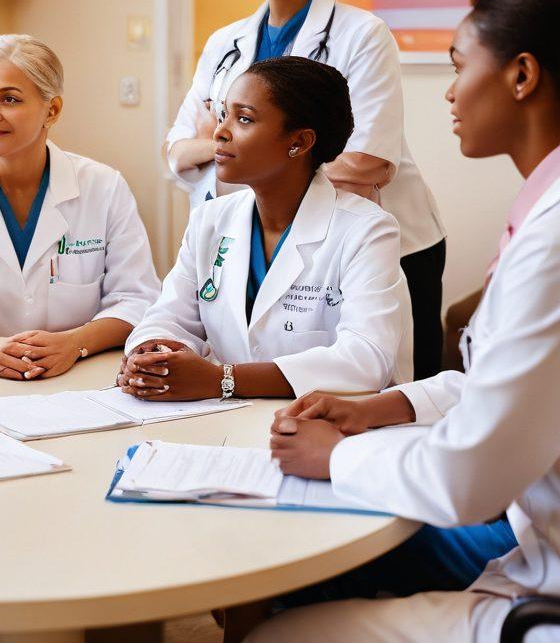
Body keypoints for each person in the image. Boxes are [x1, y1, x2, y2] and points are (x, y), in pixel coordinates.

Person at [239, 0, 560, 643]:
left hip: (543, 611)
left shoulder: (551, 240)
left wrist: (331, 454)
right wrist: (384, 406)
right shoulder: (543, 213)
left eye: (458, 66)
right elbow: (507, 382)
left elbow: (466, 479)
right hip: (531, 544)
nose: (448, 94)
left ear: (520, 75)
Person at [164, 0, 446, 379]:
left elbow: (369, 162)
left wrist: (229, 153)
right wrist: (243, 152)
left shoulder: (362, 34)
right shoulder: (225, 43)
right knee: (257, 365)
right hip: (257, 231)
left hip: (379, 241)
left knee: (395, 385)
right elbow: (175, 152)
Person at [119, 58, 411, 401]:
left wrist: (221, 379)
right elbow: (168, 318)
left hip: (324, 428)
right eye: (223, 114)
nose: (219, 132)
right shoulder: (209, 220)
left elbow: (366, 359)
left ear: (299, 142)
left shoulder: (366, 230)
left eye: (244, 118)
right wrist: (151, 355)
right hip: (222, 419)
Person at [0, 34, 160, 380]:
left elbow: (137, 297)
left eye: (9, 99)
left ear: (52, 110)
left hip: (81, 378)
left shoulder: (104, 187)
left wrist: (74, 343)